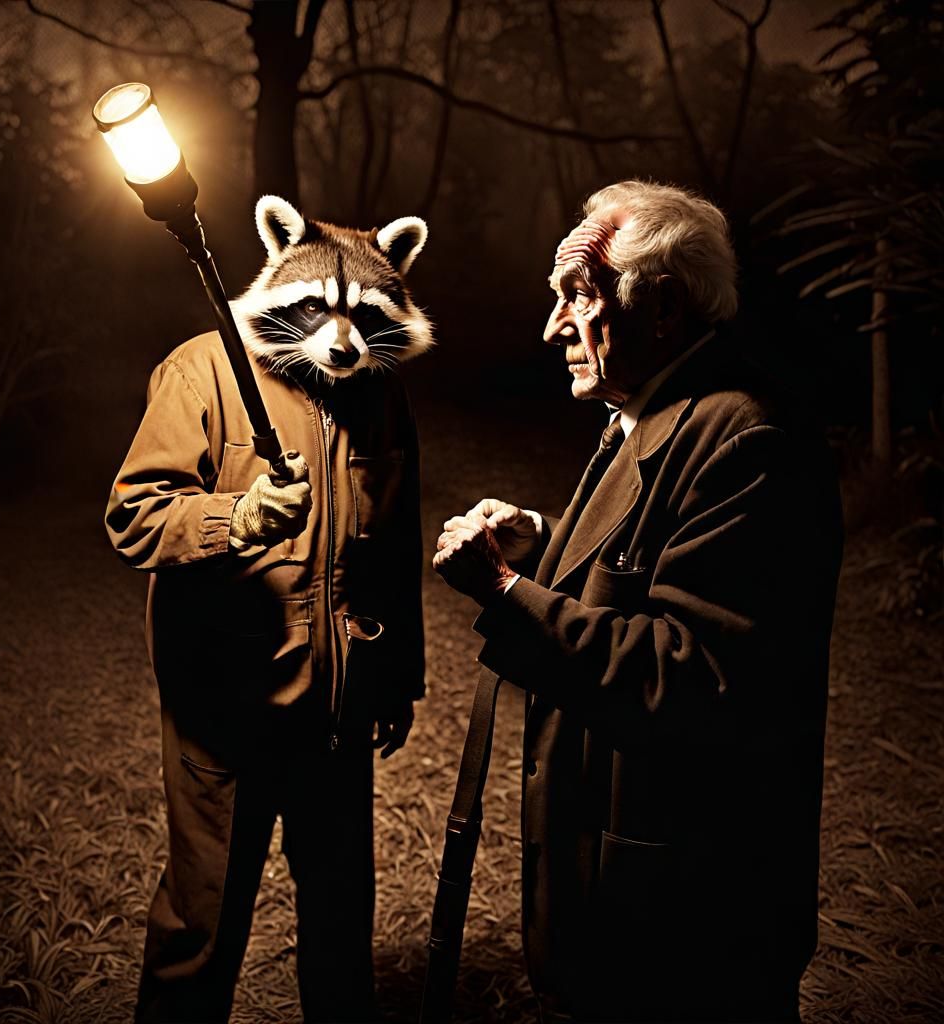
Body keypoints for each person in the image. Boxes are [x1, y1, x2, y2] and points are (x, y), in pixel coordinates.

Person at [434, 180, 843, 1023]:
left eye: (579, 296)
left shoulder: (745, 441)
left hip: (689, 928)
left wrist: (506, 593)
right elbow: (658, 565)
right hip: (636, 902)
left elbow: (691, 672)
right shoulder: (656, 413)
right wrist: (543, 540)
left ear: (661, 307)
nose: (554, 328)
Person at [105, 196, 431, 1023]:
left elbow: (394, 547)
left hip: (334, 712)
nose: (341, 336)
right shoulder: (204, 372)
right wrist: (236, 517)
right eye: (317, 311)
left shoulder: (379, 396)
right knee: (201, 925)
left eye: (359, 315)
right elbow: (135, 516)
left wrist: (399, 676)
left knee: (339, 925)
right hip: (227, 713)